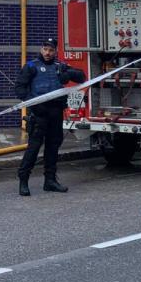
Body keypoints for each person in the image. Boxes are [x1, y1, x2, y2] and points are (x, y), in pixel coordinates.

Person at [15, 38, 86, 196]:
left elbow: (82, 77)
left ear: (55, 51)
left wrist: (67, 74)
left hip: (55, 113)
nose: (47, 53)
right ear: (41, 49)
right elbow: (19, 88)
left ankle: (50, 181)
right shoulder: (31, 66)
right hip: (39, 114)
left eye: (51, 50)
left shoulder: (59, 67)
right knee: (33, 149)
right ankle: (23, 181)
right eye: (45, 49)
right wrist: (33, 104)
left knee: (53, 148)